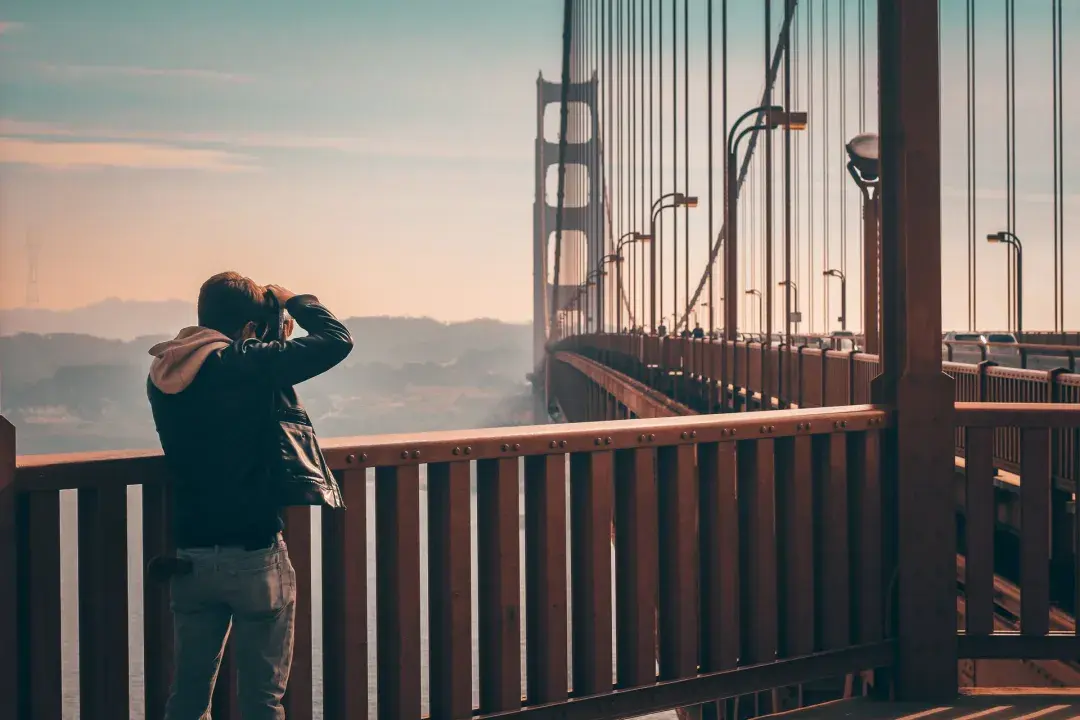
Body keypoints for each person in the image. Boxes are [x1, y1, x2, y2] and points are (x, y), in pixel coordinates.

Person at [147, 272, 353, 720]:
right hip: (254, 555)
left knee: (186, 698)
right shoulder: (245, 362)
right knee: (262, 702)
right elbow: (337, 340)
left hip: (190, 556)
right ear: (247, 329)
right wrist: (293, 299)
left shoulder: (163, 370)